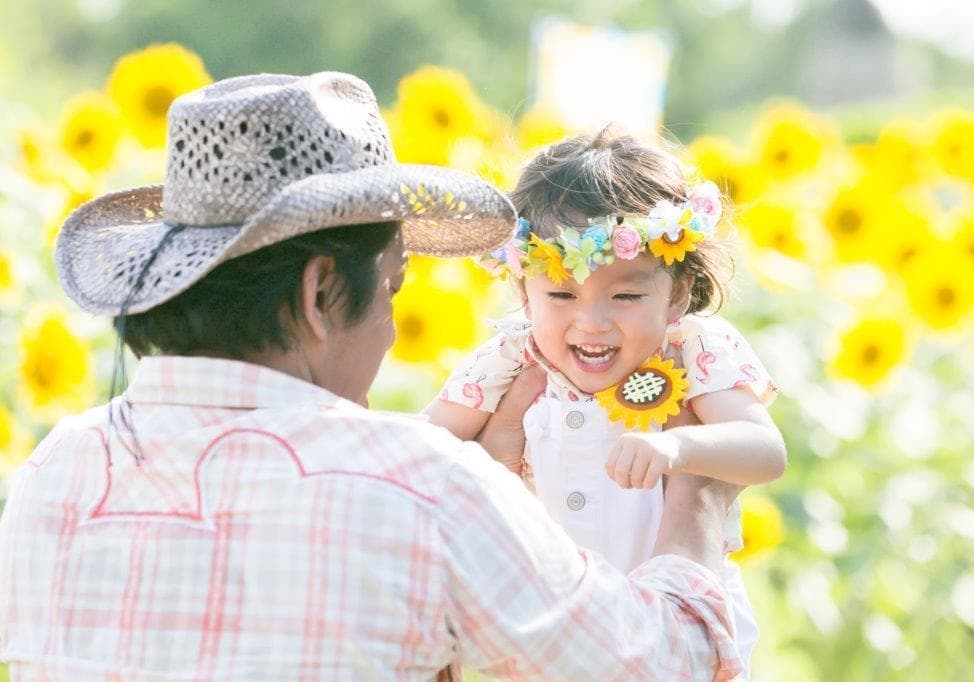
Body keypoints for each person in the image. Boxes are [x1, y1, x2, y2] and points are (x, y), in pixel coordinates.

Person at [0, 73, 744, 680]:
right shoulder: (423, 485)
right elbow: (665, 663)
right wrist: (700, 495)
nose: (389, 329)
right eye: (391, 288)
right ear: (321, 295)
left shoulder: (54, 471)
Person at [425, 126, 787, 678]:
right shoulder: (512, 359)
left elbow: (765, 451)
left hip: (675, 629)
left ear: (677, 295)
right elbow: (426, 445)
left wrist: (681, 447)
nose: (592, 322)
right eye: (561, 294)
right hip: (551, 631)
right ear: (524, 292)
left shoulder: (694, 349)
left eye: (625, 295)